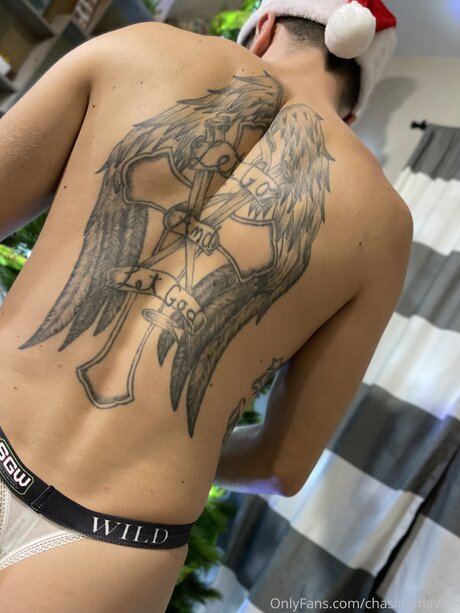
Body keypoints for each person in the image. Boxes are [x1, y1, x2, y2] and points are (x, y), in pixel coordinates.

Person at [0, 0, 412, 611]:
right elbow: (281, 466)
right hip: (117, 546)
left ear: (264, 27)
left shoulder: (139, 50)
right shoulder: (384, 228)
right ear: (353, 108)